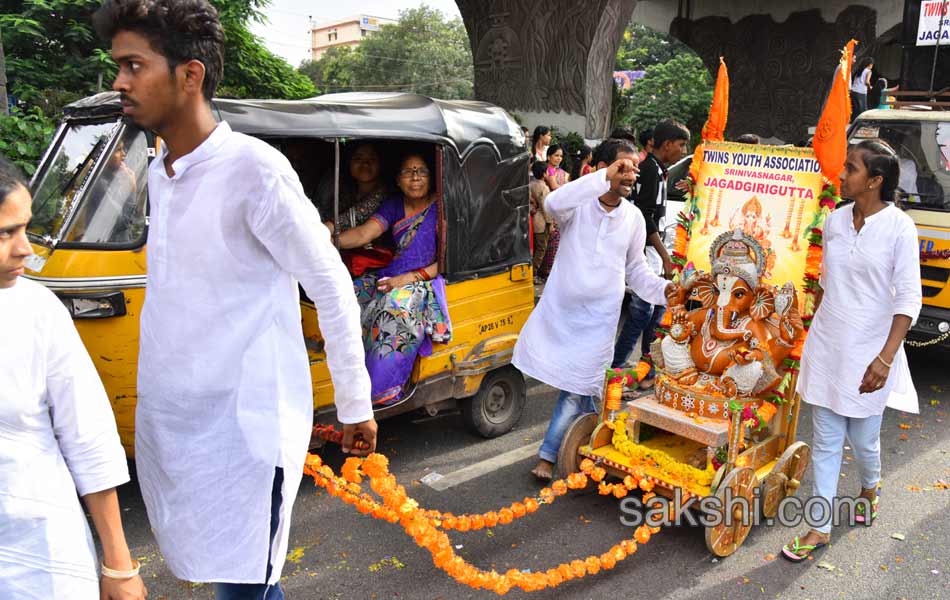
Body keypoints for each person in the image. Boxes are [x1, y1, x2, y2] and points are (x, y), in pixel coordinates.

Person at [94, 2, 378, 599]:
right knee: (220, 573)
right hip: (183, 424)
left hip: (246, 433)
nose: (119, 81)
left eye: (133, 65)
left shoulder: (255, 170)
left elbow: (328, 282)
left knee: (247, 584)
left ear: (189, 75)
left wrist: (355, 404)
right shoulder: (161, 167)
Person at [0, 156, 147, 600]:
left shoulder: (37, 310)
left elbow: (87, 436)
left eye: (25, 228)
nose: (26, 249)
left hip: (40, 558)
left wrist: (119, 564)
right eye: (6, 233)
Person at [782, 140, 921, 562]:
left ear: (875, 181)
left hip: (870, 354)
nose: (841, 175)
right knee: (825, 439)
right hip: (828, 347)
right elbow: (825, 285)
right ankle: (819, 526)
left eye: (852, 168)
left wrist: (885, 358)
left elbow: (908, 300)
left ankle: (869, 487)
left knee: (863, 441)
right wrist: (804, 331)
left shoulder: (900, 227)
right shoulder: (835, 221)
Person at [514, 138, 675, 480]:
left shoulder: (633, 218)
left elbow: (636, 271)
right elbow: (554, 203)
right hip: (561, 314)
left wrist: (666, 291)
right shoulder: (578, 206)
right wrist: (602, 180)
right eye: (623, 167)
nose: (632, 175)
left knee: (579, 387)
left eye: (635, 168)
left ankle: (548, 455)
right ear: (603, 169)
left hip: (599, 321)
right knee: (590, 391)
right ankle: (587, 446)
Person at [334, 152, 452, 408]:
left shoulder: (441, 207)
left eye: (421, 171)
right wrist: (328, 238)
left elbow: (447, 259)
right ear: (398, 180)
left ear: (431, 178)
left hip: (423, 279)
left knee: (394, 311)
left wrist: (408, 278)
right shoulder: (394, 204)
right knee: (348, 293)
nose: (415, 177)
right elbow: (366, 233)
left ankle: (381, 389)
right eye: (408, 172)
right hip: (390, 273)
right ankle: (346, 377)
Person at [610, 119, 690, 386]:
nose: (683, 150)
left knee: (655, 314)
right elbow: (645, 216)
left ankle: (646, 368)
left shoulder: (658, 170)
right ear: (666, 145)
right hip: (645, 254)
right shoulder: (651, 171)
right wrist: (665, 256)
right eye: (681, 145)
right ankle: (618, 368)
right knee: (643, 314)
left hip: (652, 252)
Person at [317, 142, 390, 233]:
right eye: (358, 158)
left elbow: (356, 215)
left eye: (372, 159)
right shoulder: (344, 189)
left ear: (381, 164)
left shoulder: (385, 193)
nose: (365, 164)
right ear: (349, 162)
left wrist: (324, 230)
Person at [529, 160, 551, 281]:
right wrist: (550, 223)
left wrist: (533, 209)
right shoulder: (544, 187)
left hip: (534, 219)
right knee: (541, 249)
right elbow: (546, 207)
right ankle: (533, 273)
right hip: (542, 221)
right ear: (544, 174)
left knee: (536, 248)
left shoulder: (531, 184)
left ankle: (533, 272)